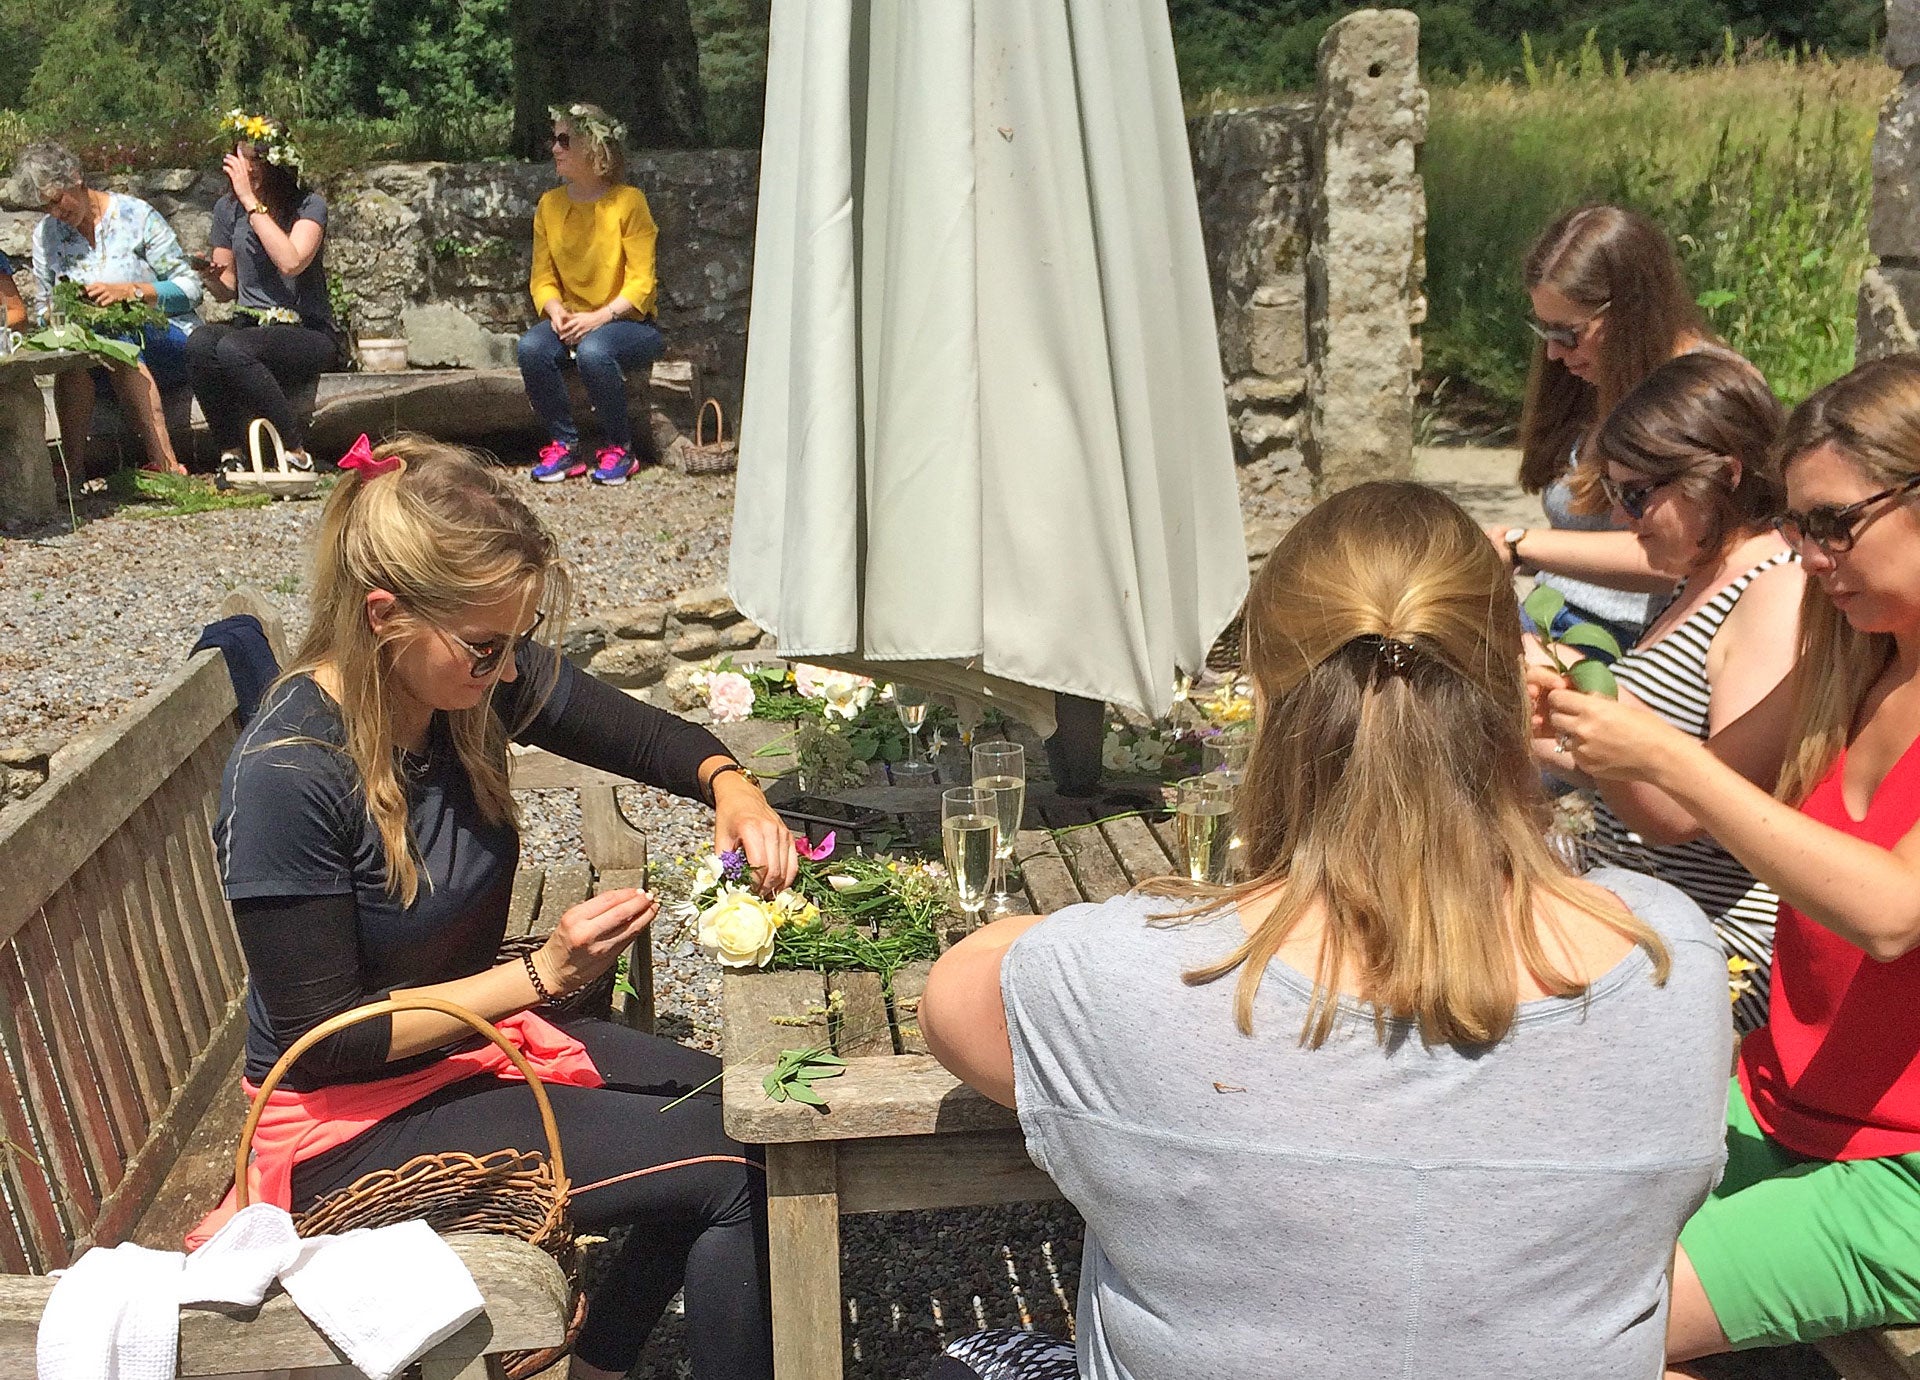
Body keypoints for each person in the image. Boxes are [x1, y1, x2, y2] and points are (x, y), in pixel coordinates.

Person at [920, 481, 1732, 1380]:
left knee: (968, 1354)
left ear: (1268, 704)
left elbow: (958, 994)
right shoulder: (1672, 960)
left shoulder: (1116, 978)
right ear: (1515, 689)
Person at [199, 435, 789, 1380]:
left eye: (517, 642)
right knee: (737, 1167)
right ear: (385, 615)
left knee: (745, 1110)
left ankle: (596, 1363)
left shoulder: (459, 684)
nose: (511, 670)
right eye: (489, 647)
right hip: (344, 1128)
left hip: (462, 1053)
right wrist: (543, 976)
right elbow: (332, 1038)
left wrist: (731, 784)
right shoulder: (289, 777)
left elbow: (638, 732)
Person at [1545, 353, 1920, 1372]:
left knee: (1572, 1333)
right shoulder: (1856, 652)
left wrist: (1664, 756)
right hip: (1774, 1093)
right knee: (1514, 1225)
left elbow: (1892, 911)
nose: (1809, 555)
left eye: (1834, 524)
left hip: (1904, 1171)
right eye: (1797, 527)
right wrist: (1575, 714)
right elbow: (1675, 807)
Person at [1531, 351, 1802, 1032]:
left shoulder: (1775, 590)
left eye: (1635, 494)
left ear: (1722, 475)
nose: (1624, 520)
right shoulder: (1698, 578)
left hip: (1712, 947)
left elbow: (1688, 813)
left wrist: (1579, 695)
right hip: (1639, 904)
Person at [1491, 204, 1725, 653]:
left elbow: (1685, 557)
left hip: (1630, 639)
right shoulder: (1590, 375)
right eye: (1545, 332)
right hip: (1550, 614)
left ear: (1630, 312)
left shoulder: (1703, 392)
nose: (1555, 353)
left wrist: (1520, 546)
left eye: (1568, 333)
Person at [12, 140, 201, 475]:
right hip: (94, 353)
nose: (56, 213)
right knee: (75, 353)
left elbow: (190, 289)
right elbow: (45, 305)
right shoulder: (47, 235)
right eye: (46, 208)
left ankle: (165, 463)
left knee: (118, 336)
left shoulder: (136, 215)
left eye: (58, 201)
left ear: (75, 177)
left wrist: (133, 292)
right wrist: (68, 314)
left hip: (166, 341)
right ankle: (73, 474)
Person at [519, 102, 665, 486]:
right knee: (532, 348)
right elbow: (542, 277)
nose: (555, 149)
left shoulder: (629, 203)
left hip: (629, 324)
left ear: (593, 147)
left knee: (595, 350)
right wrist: (555, 311)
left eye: (565, 140)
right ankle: (565, 447)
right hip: (574, 320)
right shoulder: (550, 206)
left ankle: (621, 449)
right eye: (554, 139)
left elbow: (641, 283)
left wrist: (598, 318)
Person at [188, 111, 340, 471]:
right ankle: (230, 452)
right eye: (242, 157)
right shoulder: (228, 209)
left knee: (234, 348)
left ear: (277, 162)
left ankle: (295, 451)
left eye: (256, 159)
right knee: (200, 343)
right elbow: (227, 290)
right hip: (251, 325)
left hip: (306, 330)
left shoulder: (308, 205)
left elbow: (291, 262)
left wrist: (251, 202)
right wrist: (208, 274)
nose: (248, 168)